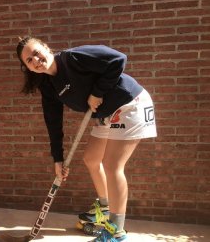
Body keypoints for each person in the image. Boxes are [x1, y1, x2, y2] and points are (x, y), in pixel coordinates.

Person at [15, 36, 156, 242]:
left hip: (129, 104)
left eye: (36, 52)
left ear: (46, 47)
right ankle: (105, 209)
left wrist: (97, 92)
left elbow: (117, 59)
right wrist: (58, 159)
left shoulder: (72, 58)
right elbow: (53, 122)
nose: (35, 60)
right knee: (91, 159)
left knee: (112, 165)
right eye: (29, 60)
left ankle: (116, 230)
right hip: (105, 114)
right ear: (28, 68)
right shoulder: (49, 86)